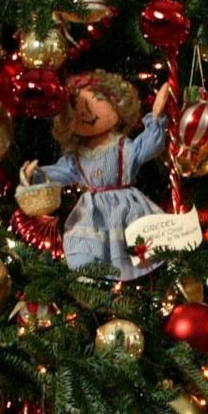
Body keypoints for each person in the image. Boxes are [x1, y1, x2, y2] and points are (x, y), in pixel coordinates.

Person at [28, 72, 172, 279]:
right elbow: (59, 173)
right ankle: (89, 276)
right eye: (76, 106)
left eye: (97, 100)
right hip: (91, 210)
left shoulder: (123, 147)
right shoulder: (77, 157)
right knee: (84, 242)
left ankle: (133, 277)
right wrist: (36, 175)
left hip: (127, 205)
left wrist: (156, 118)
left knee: (134, 244)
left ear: (118, 104)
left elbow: (149, 146)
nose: (86, 112)